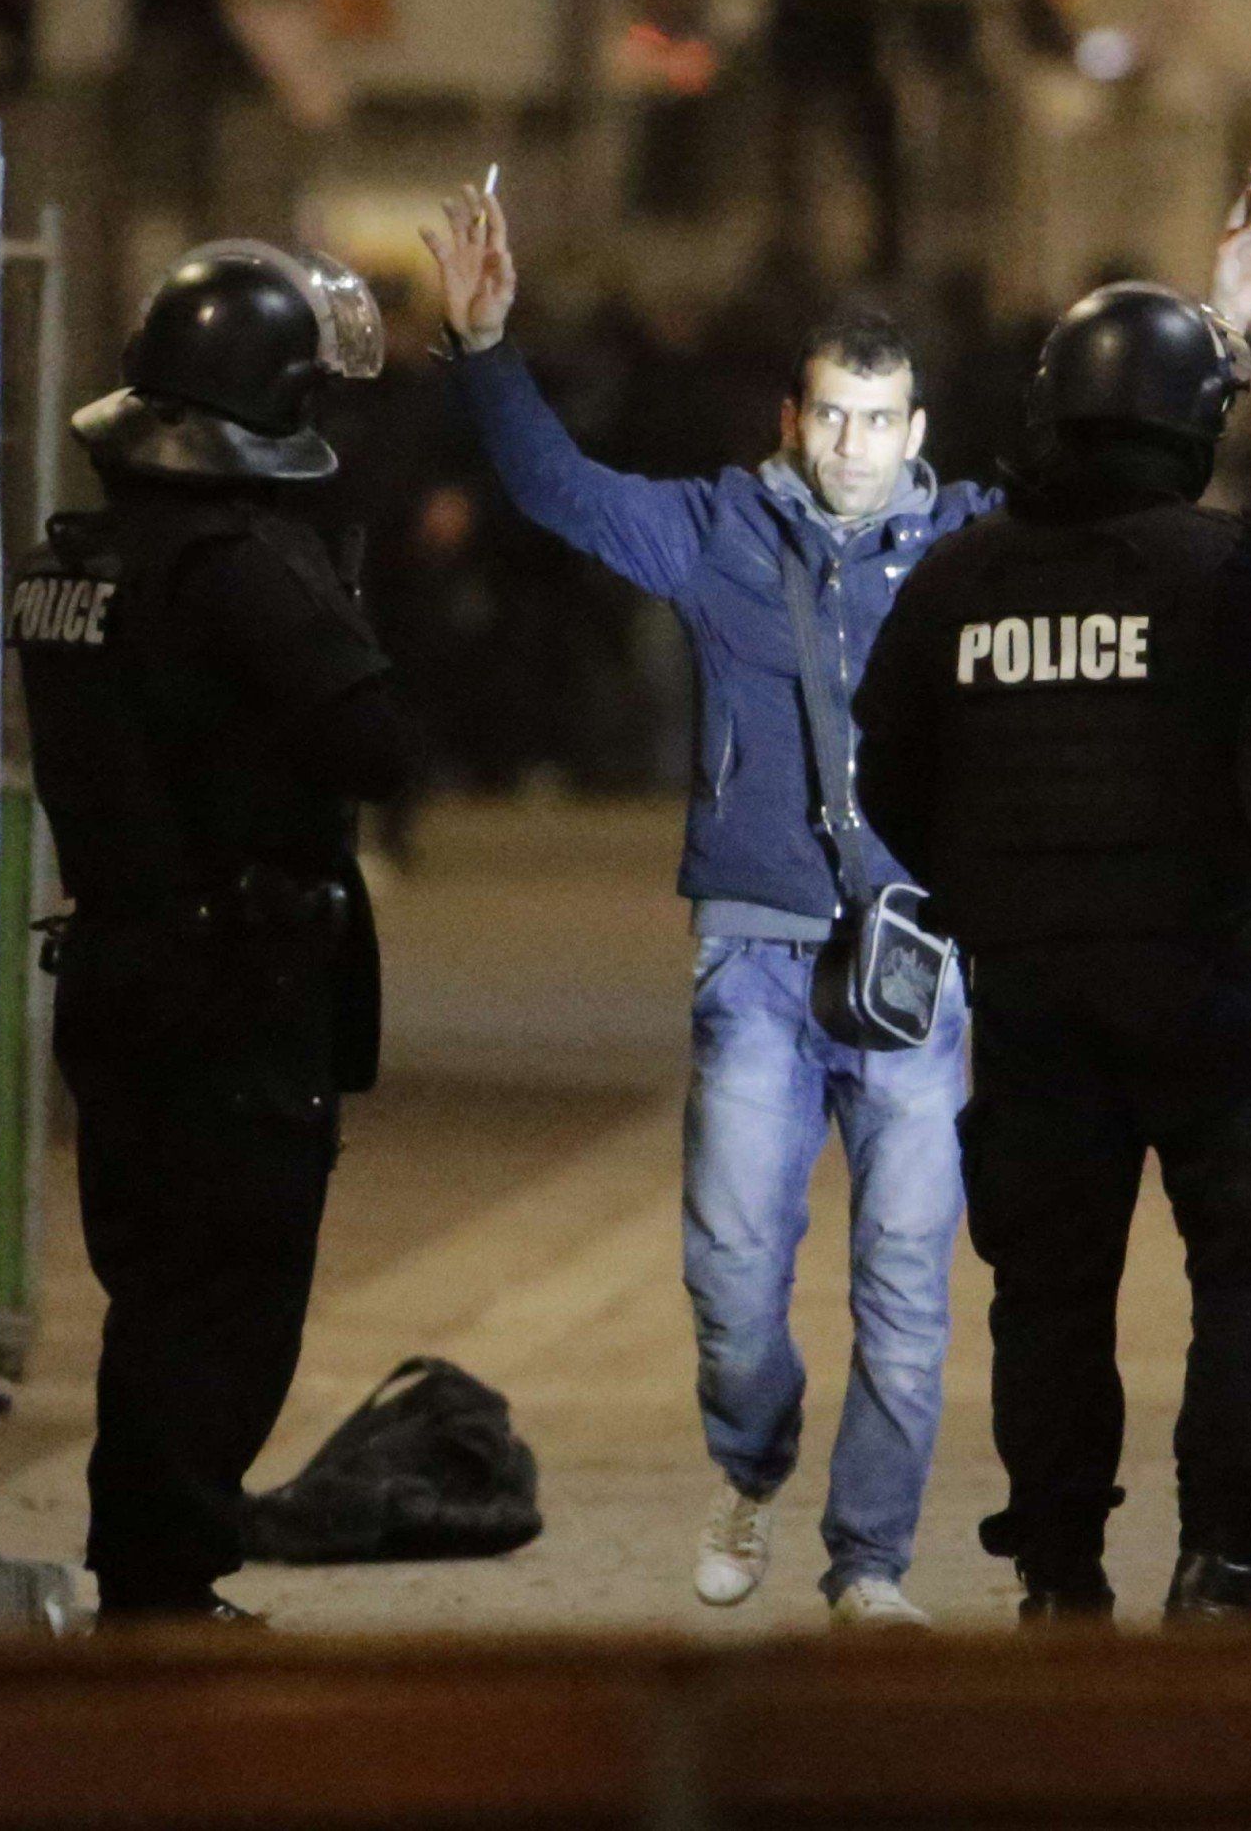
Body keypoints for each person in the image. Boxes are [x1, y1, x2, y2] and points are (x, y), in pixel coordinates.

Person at [423, 183, 991, 1625]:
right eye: (831, 416)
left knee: (909, 1294)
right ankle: (753, 1458)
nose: (856, 446)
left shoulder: (973, 546)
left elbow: (1135, 499)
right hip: (755, 956)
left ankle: (867, 1564)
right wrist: (488, 349)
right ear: (791, 421)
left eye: (882, 419)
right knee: (735, 1273)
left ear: (918, 432)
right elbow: (561, 489)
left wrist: (1224, 326)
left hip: (918, 965)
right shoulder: (722, 529)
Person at [853, 257, 1251, 1623]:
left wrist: (987, 890)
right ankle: (1224, 1560)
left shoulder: (960, 574)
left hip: (1029, 988)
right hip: (1199, 971)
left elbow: (887, 774)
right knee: (1249, 1261)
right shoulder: (1223, 561)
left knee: (1049, 1285)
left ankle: (1057, 1571)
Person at [12, 241, 419, 1623]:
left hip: (124, 965)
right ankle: (161, 1588)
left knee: (156, 1290)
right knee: (228, 1302)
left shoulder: (76, 563)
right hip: (236, 979)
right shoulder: (241, 563)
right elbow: (376, 736)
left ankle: (151, 1570)